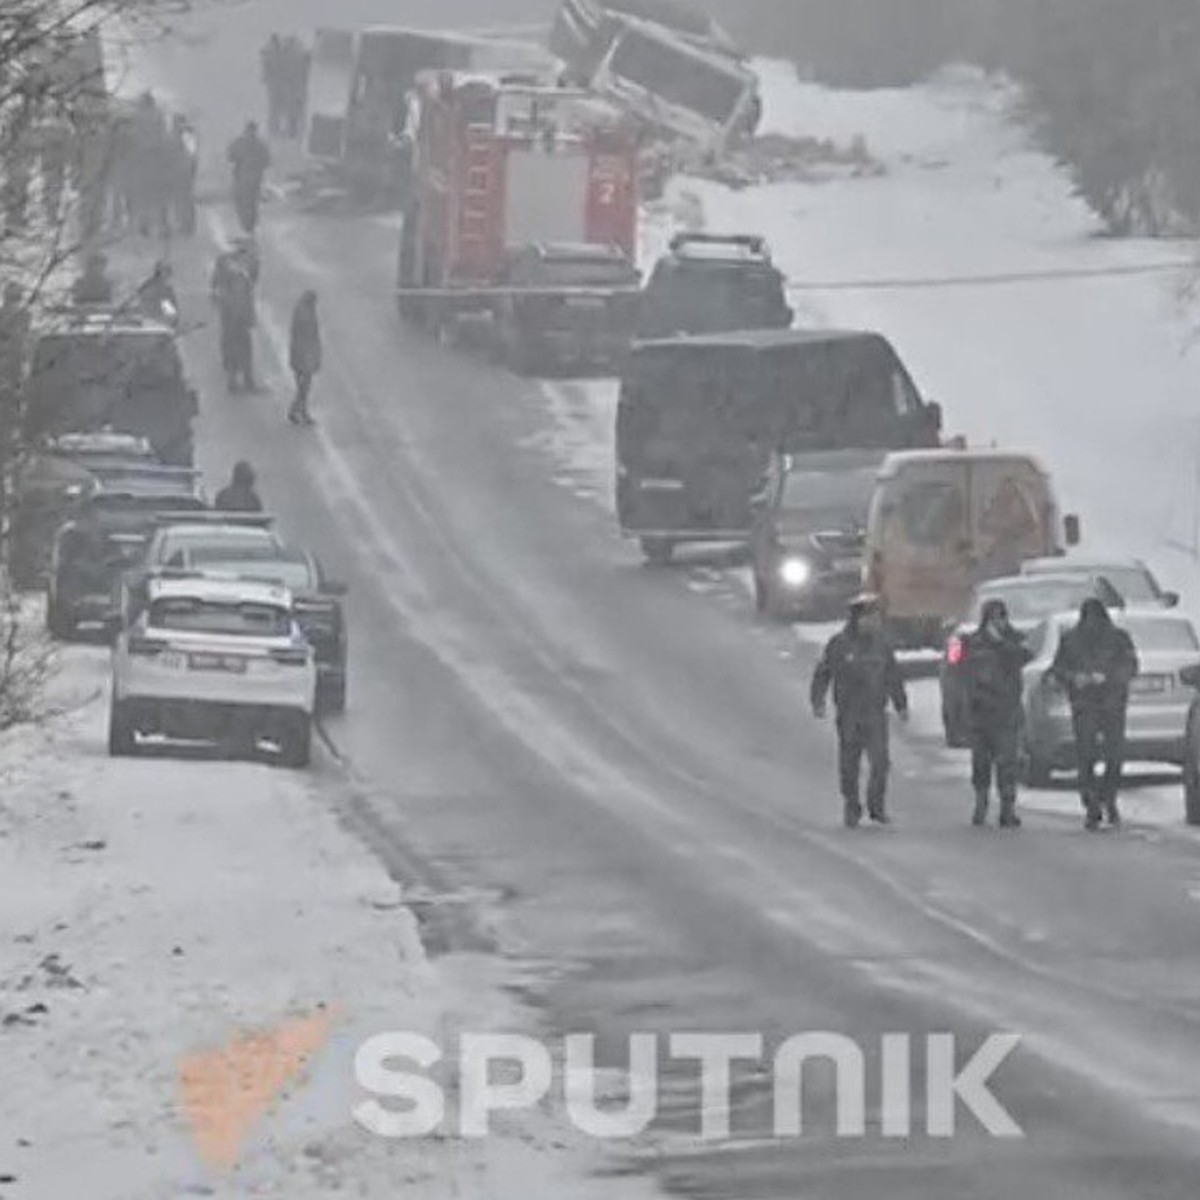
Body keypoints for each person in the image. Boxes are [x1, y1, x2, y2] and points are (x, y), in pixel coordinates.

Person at [811, 594, 909, 828]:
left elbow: (893, 676)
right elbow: (823, 673)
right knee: (849, 764)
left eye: (875, 618)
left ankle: (876, 806)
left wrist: (901, 704)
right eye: (868, 618)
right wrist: (818, 700)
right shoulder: (839, 645)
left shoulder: (882, 645)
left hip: (875, 712)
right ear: (857, 619)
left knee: (881, 763)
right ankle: (852, 805)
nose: (873, 623)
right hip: (849, 714)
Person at [1050, 598, 1139, 829]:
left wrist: (1108, 677)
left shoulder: (1118, 638)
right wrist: (1075, 678)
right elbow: (1059, 668)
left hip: (1112, 701)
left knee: (1113, 755)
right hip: (1084, 703)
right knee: (1086, 754)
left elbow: (1131, 665)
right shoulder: (1071, 639)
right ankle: (1091, 801)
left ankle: (1109, 798)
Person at [963, 598, 1034, 828]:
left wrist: (1002, 644)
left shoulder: (1014, 639)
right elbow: (957, 667)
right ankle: (981, 804)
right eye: (994, 618)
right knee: (981, 763)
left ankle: (1007, 808)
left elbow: (1026, 656)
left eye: (1002, 617)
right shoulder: (971, 642)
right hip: (980, 713)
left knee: (1007, 763)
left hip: (1006, 712)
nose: (999, 623)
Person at [210, 248, 258, 392]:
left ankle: (240, 380)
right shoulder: (236, 275)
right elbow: (243, 298)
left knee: (237, 348)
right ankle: (240, 381)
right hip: (235, 319)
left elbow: (247, 297)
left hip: (234, 318)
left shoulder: (231, 273)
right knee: (241, 349)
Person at [227, 121, 270, 233]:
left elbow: (230, 157)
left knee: (241, 200)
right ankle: (251, 222)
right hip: (255, 177)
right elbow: (267, 162)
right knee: (252, 201)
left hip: (242, 176)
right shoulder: (261, 145)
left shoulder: (239, 142)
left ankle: (247, 223)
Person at [287, 290, 321, 425]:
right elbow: (310, 336)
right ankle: (296, 410)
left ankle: (300, 411)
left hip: (298, 355)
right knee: (303, 387)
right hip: (303, 356)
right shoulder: (306, 314)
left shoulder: (300, 310)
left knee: (302, 386)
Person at [136, 261, 179, 326]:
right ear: (163, 273)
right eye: (168, 272)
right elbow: (170, 313)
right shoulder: (165, 290)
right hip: (160, 325)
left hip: (146, 323)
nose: (170, 275)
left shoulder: (144, 286)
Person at [260, 35, 287, 136]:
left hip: (275, 83)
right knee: (277, 106)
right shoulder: (274, 52)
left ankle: (274, 127)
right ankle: (276, 127)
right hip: (277, 83)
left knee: (275, 106)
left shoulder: (268, 51)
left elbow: (265, 67)